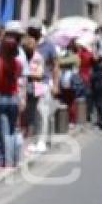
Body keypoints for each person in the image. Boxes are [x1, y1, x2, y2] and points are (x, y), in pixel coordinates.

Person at [26, 19, 59, 154]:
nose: (32, 33)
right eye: (30, 31)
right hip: (30, 82)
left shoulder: (48, 45)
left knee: (42, 111)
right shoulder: (27, 44)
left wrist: (55, 84)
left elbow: (56, 65)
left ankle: (42, 141)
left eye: (34, 31)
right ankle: (34, 139)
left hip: (43, 82)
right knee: (33, 112)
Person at [0, 30, 23, 167]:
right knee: (12, 129)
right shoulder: (17, 63)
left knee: (3, 130)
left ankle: (6, 160)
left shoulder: (0, 61)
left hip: (2, 97)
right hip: (14, 96)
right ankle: (14, 157)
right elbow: (19, 77)